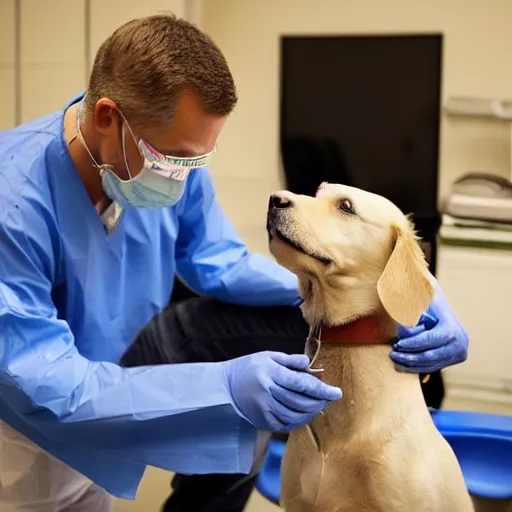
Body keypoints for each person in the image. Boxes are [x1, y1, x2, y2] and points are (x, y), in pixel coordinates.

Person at [0, 13, 468, 512]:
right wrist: (222, 385)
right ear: (108, 118)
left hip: (116, 374)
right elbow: (55, 384)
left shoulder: (162, 156)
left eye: (197, 160)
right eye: (174, 160)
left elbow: (216, 260)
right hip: (29, 422)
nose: (182, 178)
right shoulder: (14, 202)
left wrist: (402, 289)